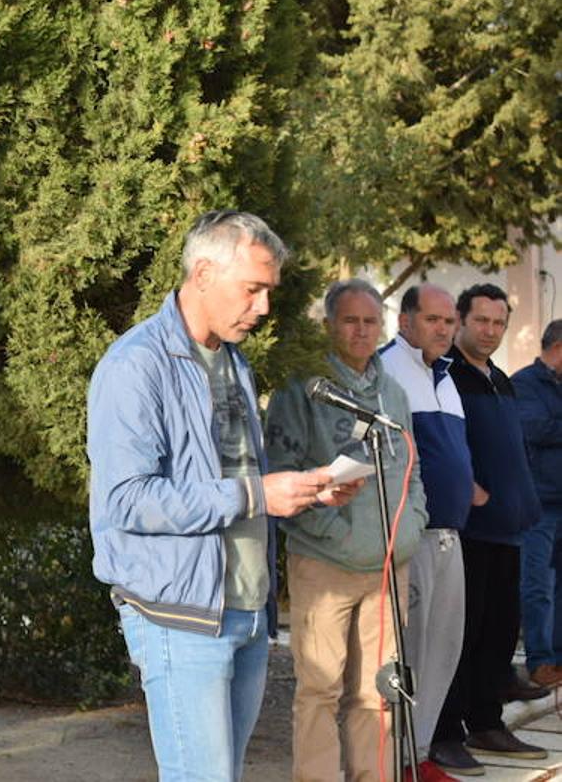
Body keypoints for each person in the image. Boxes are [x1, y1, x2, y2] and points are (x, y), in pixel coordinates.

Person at [87, 210, 348, 782]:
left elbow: (231, 476)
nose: (263, 307)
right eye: (252, 289)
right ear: (202, 273)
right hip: (181, 618)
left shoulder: (234, 362)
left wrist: (303, 490)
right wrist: (257, 495)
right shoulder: (135, 366)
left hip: (249, 614)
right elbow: (128, 500)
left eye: (268, 292)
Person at [266, 279, 428, 781]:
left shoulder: (392, 392)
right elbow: (281, 470)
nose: (361, 331)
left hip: (387, 569)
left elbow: (412, 470)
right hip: (325, 566)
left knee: (378, 690)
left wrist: (411, 527)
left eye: (370, 321)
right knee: (319, 691)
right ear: (330, 324)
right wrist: (337, 532)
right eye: (350, 321)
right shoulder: (303, 388)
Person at [432, 283, 545, 763]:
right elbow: (442, 444)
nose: (491, 331)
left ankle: (486, 724)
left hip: (510, 529)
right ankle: (446, 732)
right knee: (463, 637)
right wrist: (470, 488)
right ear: (460, 320)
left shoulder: (500, 377)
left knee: (499, 634)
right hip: (470, 529)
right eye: (482, 320)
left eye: (499, 323)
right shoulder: (447, 376)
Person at [378, 283, 477, 779]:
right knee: (409, 653)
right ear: (405, 321)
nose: (444, 329)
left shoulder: (446, 376)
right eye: (433, 320)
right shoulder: (386, 370)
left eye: (448, 321)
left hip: (449, 534)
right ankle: (391, 760)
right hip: (410, 536)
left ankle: (416, 756)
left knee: (443, 649)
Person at [515, 319, 562, 686]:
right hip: (539, 502)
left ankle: (559, 659)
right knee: (537, 585)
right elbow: (535, 428)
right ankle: (540, 661)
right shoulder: (524, 384)